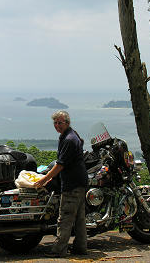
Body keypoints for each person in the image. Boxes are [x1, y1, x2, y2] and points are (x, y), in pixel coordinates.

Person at [34, 110, 88, 257]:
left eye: (60, 122)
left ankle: (59, 250)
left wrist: (44, 179)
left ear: (67, 123)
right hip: (80, 181)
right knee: (79, 218)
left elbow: (60, 164)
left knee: (65, 216)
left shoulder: (69, 139)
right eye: (55, 123)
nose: (57, 125)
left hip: (72, 183)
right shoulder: (70, 135)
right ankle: (81, 247)